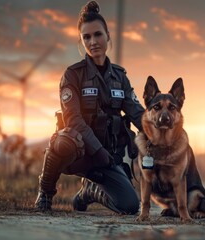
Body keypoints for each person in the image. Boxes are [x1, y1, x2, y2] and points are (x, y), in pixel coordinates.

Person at [35, 0, 144, 214]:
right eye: (87, 37)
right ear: (81, 41)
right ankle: (45, 193)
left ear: (107, 36)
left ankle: (91, 191)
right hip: (81, 154)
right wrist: (97, 150)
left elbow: (137, 114)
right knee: (62, 139)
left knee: (130, 206)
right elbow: (73, 119)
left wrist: (163, 133)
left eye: (97, 35)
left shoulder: (120, 77)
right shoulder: (72, 75)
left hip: (109, 157)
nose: (93, 41)